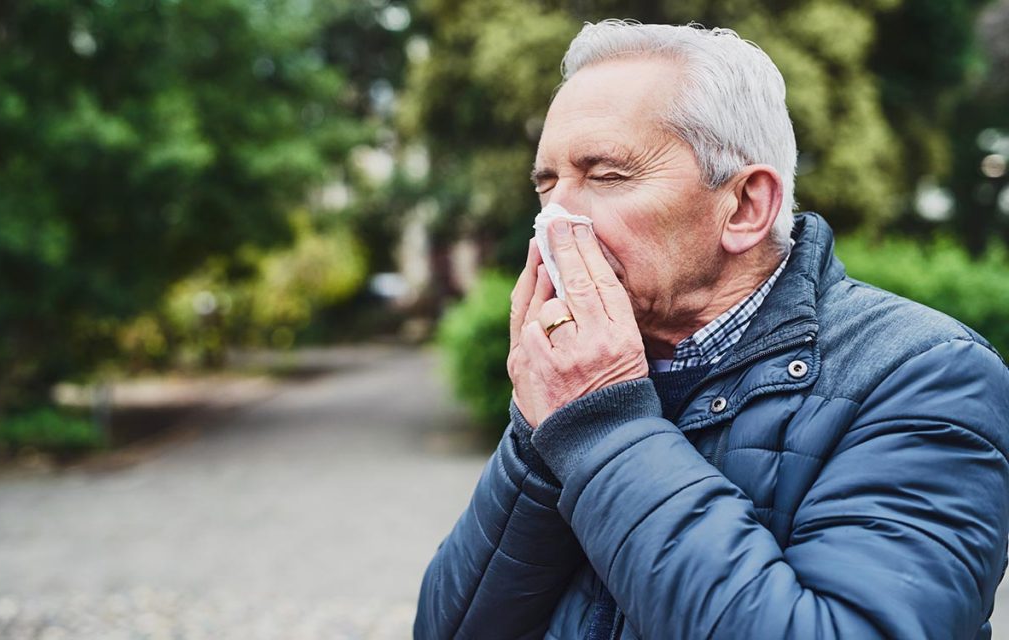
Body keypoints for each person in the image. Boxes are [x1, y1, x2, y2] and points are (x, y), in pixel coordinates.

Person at [415, 20, 1009, 640]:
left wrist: (601, 424)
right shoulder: (582, 372)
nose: (555, 217)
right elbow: (448, 628)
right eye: (546, 184)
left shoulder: (929, 376)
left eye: (607, 175)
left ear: (746, 207)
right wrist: (542, 425)